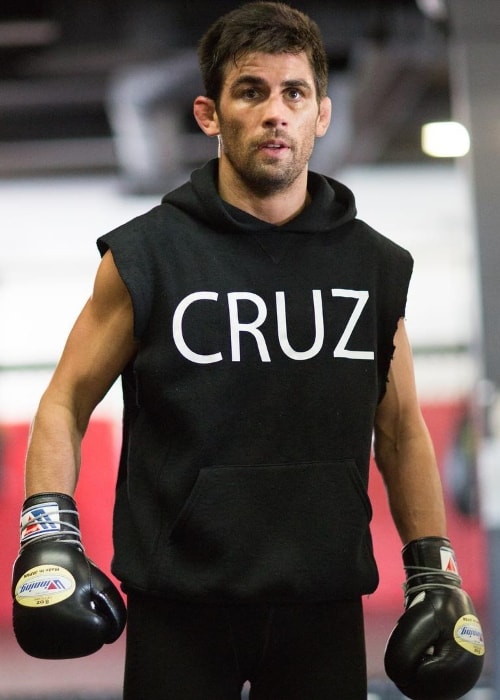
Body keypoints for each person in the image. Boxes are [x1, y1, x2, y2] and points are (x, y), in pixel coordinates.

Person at [12, 3, 484, 699]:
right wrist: (47, 535)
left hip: (322, 600)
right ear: (210, 113)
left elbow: (401, 426)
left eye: (294, 93)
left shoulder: (372, 265)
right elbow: (65, 402)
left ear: (322, 113)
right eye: (251, 91)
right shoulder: (149, 255)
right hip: (180, 601)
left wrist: (434, 570)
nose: (275, 113)